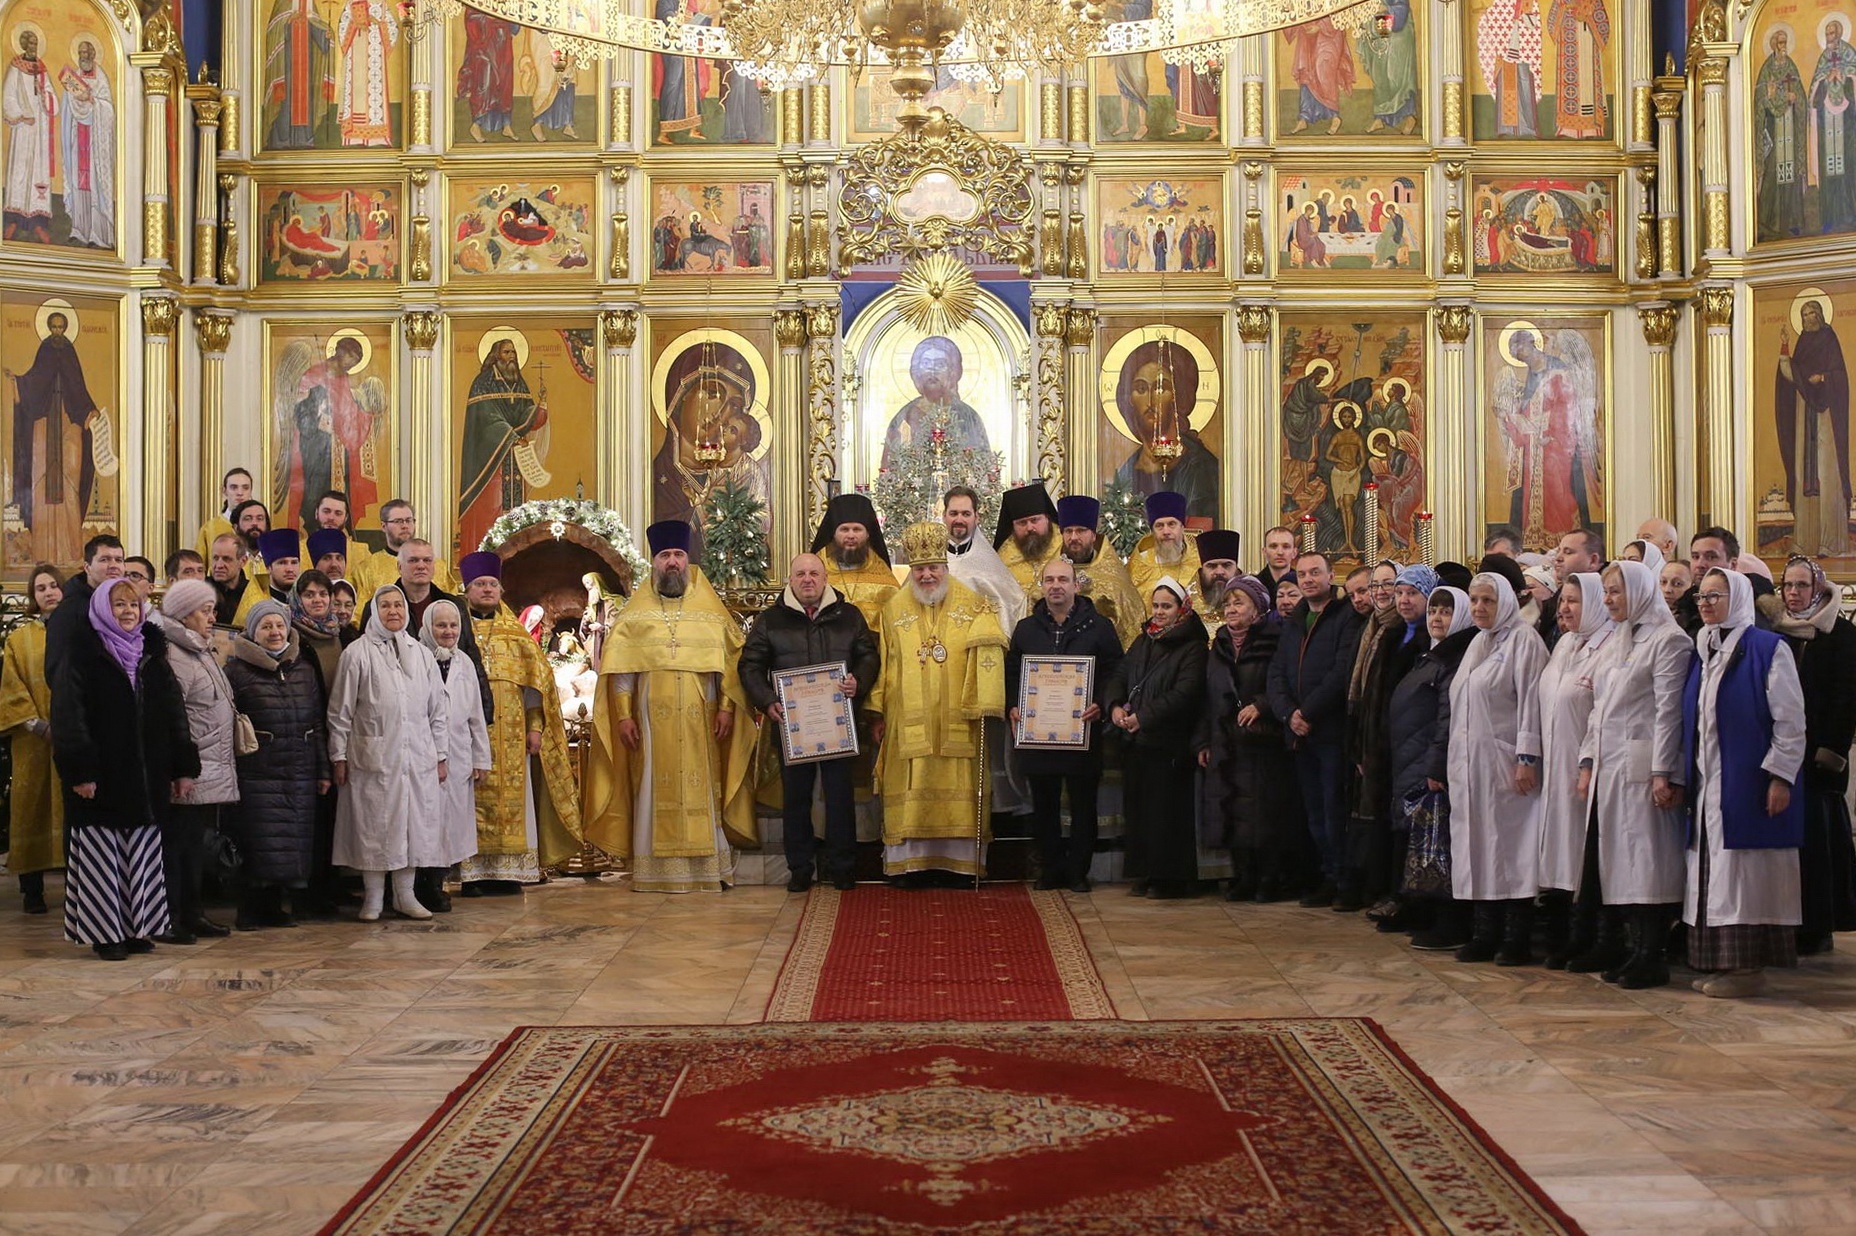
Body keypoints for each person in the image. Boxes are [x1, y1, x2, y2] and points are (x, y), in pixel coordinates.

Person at [583, 522, 759, 892]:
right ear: (655, 563)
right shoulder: (634, 615)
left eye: (679, 555)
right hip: (650, 718)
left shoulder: (710, 612)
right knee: (651, 782)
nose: (673, 563)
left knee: (702, 784)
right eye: (666, 556)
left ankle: (707, 869)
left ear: (688, 560)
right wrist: (625, 715)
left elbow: (728, 664)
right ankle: (654, 871)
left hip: (703, 716)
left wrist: (727, 708)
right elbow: (624, 671)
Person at [50, 578, 200, 961]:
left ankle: (136, 928)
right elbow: (69, 717)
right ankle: (106, 934)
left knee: (142, 855)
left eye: (134, 604)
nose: (129, 612)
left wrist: (183, 767)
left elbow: (174, 714)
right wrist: (80, 770)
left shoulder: (151, 653)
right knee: (104, 856)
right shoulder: (83, 653)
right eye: (119, 605)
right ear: (102, 608)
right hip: (102, 776)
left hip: (147, 773)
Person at [1682, 569, 1807, 999]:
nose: (1705, 602)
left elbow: (1789, 721)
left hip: (1749, 784)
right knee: (1714, 874)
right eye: (1701, 595)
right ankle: (1722, 964)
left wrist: (1779, 776)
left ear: (1736, 598)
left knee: (1743, 878)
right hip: (1709, 785)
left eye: (1715, 595)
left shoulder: (1767, 648)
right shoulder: (1705, 651)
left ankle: (1748, 968)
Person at [1570, 561, 1693, 988]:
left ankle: (1651, 954)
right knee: (1619, 861)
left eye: (1615, 592)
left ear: (1639, 592)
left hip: (1643, 766)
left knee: (1647, 861)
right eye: (1605, 593)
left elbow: (1668, 712)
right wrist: (1587, 762)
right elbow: (1599, 709)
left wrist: (1664, 771)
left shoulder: (1669, 640)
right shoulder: (1619, 638)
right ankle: (1629, 947)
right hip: (1610, 765)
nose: (1608, 600)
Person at [868, 522, 1008, 883]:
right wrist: (878, 710)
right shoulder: (893, 609)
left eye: (933, 567)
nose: (927, 575)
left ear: (945, 567)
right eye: (919, 569)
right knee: (910, 786)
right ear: (911, 571)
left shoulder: (974, 604)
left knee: (958, 784)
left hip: (959, 718)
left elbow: (988, 655)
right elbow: (885, 662)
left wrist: (985, 700)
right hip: (906, 721)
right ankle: (908, 865)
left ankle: (961, 864)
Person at [739, 553, 879, 892]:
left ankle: (843, 868)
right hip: (792, 725)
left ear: (825, 577)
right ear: (790, 579)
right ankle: (800, 868)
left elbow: (868, 655)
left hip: (838, 725)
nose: (807, 580)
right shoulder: (771, 620)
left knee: (839, 796)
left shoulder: (849, 615)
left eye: (814, 573)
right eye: (800, 573)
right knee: (796, 800)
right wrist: (767, 700)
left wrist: (857, 681)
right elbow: (750, 665)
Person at [461, 554, 584, 893]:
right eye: (479, 585)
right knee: (470, 802)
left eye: (491, 585)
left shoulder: (515, 634)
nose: (486, 590)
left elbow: (535, 688)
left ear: (500, 589)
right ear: (467, 590)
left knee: (514, 802)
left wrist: (535, 729)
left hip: (512, 735)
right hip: (470, 734)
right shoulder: (456, 629)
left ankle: (510, 872)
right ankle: (473, 875)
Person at [1446, 572, 1549, 966]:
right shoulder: (1477, 642)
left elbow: (1530, 702)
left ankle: (1515, 937)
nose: (1479, 608)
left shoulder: (1524, 640)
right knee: (1477, 846)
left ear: (1504, 601)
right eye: (1474, 600)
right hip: (1471, 764)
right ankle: (1483, 932)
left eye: (1487, 600)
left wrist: (1526, 757)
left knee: (1511, 848)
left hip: (1508, 763)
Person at [328, 585, 448, 921]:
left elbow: (437, 710)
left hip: (417, 756)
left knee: (411, 824)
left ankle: (405, 895)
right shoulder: (357, 653)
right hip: (373, 756)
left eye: (398, 605)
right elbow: (340, 711)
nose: (393, 611)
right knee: (375, 825)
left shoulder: (421, 653)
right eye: (385, 606)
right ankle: (374, 897)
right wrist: (338, 755)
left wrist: (441, 754)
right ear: (374, 611)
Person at [1007, 557, 1124, 893]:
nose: (1056, 586)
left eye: (1062, 579)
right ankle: (1050, 869)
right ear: (1041, 586)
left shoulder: (1099, 627)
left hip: (1082, 731)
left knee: (1083, 803)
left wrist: (1102, 702)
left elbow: (1116, 669)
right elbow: (1013, 671)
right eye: (1049, 580)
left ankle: (1077, 872)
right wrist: (1014, 705)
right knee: (1043, 806)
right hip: (1038, 734)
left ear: (1076, 585)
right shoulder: (1026, 629)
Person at [1765, 556, 1856, 954]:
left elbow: (1847, 696)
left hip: (1819, 755)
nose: (1795, 593)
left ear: (1818, 588)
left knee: (1819, 844)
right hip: (1783, 752)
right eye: (1788, 585)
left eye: (1803, 586)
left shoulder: (1839, 632)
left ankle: (1819, 923)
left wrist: (1830, 749)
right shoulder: (1776, 629)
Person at [221, 600, 329, 929]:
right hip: (257, 769)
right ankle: (251, 909)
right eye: (266, 626)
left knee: (288, 841)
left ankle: (274, 908)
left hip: (298, 768)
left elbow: (318, 722)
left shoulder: (303, 668)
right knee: (257, 841)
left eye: (279, 626)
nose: (274, 632)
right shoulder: (236, 670)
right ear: (254, 632)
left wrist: (322, 769)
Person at [1268, 550, 1366, 906]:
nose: (1308, 579)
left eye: (1314, 573)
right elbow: (1277, 673)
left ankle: (1345, 881)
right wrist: (1288, 713)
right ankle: (1327, 875)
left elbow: (1341, 673)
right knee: (1313, 810)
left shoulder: (1345, 618)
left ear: (1329, 577)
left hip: (1329, 732)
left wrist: (1306, 712)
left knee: (1335, 809)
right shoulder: (1294, 620)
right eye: (1302, 574)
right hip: (1299, 733)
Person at [1388, 586, 1478, 950]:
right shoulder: (1432, 654)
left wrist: (1435, 765)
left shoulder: (1455, 659)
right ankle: (1424, 910)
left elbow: (1447, 716)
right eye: (1434, 611)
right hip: (1414, 756)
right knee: (1423, 844)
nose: (1437, 617)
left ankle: (1450, 921)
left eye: (1445, 611)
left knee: (1442, 847)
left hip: (1432, 762)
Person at [1107, 577, 1208, 897]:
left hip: (1169, 741)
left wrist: (1145, 717)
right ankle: (1146, 872)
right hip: (1136, 741)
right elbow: (1122, 675)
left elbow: (1186, 692)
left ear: (1182, 609)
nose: (1159, 612)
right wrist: (1113, 707)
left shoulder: (1192, 646)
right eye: (1156, 606)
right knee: (1140, 811)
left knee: (1167, 813)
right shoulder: (1143, 640)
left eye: (1167, 606)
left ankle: (1170, 878)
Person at [151, 581, 240, 944]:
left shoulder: (196, 648)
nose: (212, 617)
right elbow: (173, 715)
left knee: (193, 848)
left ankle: (193, 912)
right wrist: (182, 767)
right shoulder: (173, 653)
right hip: (191, 766)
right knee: (175, 847)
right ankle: (171, 917)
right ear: (184, 613)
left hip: (208, 764)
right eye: (205, 610)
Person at [1534, 572, 1614, 967]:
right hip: (1553, 765)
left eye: (1574, 602)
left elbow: (1602, 713)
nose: (1563, 608)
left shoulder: (1609, 648)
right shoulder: (1564, 644)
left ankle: (1589, 937)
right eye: (1562, 600)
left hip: (1585, 769)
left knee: (1583, 854)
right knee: (1558, 852)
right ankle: (1561, 934)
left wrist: (1586, 762)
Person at [1342, 561, 1429, 917]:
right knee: (1383, 820)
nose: (1398, 598)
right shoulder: (1385, 632)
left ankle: (1404, 896)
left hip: (1408, 743)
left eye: (1408, 591)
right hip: (1381, 739)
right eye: (1398, 592)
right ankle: (1385, 890)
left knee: (1403, 823)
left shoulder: (1418, 635)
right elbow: (1371, 692)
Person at [1197, 577, 1290, 901]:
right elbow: (1208, 696)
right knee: (1231, 808)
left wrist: (1261, 705)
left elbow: (1284, 682)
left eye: (1240, 603)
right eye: (1229, 603)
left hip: (1262, 740)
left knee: (1263, 810)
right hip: (1226, 739)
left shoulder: (1275, 640)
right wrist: (1204, 741)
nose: (1232, 609)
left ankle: (1269, 878)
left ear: (1258, 609)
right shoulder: (1219, 644)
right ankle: (1244, 875)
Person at [0, 564, 65, 914]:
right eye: (41, 588)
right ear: (33, 596)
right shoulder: (18, 639)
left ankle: (81, 888)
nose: (49, 592)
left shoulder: (79, 631)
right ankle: (32, 889)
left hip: (73, 736)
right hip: (33, 739)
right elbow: (11, 686)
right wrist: (37, 725)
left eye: (55, 585)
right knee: (32, 806)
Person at [420, 600, 493, 886]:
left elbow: (475, 714)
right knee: (427, 820)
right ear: (428, 627)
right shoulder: (417, 657)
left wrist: (481, 758)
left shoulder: (464, 661)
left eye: (453, 625)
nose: (448, 631)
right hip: (426, 752)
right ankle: (427, 883)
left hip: (460, 753)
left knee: (454, 821)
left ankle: (445, 879)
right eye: (441, 625)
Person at [879, 337, 991, 473]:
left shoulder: (969, 417)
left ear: (952, 372)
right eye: (926, 364)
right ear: (916, 372)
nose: (932, 372)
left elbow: (982, 466)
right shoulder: (905, 417)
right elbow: (892, 466)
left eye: (940, 364)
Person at [1057, 495, 1145, 647]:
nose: (1073, 537)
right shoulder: (1050, 574)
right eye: (1068, 531)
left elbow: (1131, 627)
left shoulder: (1113, 578)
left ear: (1093, 535)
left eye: (1081, 531)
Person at [44, 534, 126, 684]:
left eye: (118, 560)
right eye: (105, 559)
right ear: (87, 567)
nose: (113, 565)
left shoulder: (127, 607)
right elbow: (58, 673)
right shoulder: (68, 612)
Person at [811, 493, 899, 629]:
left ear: (868, 533)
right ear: (833, 533)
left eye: (857, 529)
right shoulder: (815, 569)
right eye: (844, 529)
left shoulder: (882, 574)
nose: (851, 535)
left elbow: (894, 623)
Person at [994, 482, 1062, 609]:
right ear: (1012, 526)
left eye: (1035, 520)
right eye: (1022, 523)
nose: (1030, 528)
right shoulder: (1002, 560)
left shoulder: (1065, 547)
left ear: (1047, 519)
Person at [1128, 491, 1202, 606]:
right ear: (1152, 531)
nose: (1166, 531)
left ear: (1182, 528)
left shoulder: (1199, 562)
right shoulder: (1138, 565)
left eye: (1172, 524)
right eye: (1159, 526)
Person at [196, 468, 255, 561]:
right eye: (234, 487)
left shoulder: (259, 527)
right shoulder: (210, 528)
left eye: (245, 488)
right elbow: (199, 566)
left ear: (251, 491)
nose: (240, 493)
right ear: (224, 491)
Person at [210, 534, 263, 628]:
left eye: (226, 559)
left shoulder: (253, 593)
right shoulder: (201, 590)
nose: (219, 565)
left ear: (243, 561)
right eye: (215, 558)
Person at [1196, 529, 1244, 622]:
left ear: (1237, 570)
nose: (1219, 572)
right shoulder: (1187, 610)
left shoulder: (1251, 606)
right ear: (1201, 572)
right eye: (1211, 566)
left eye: (1227, 565)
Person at [257, 529, 303, 603]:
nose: (290, 569)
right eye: (282, 563)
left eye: (294, 562)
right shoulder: (258, 603)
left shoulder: (308, 603)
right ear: (268, 568)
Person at [1256, 526, 1298, 600]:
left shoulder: (1302, 584)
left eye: (1286, 547)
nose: (1280, 552)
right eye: (1273, 546)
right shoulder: (1254, 585)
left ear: (1294, 552)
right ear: (1264, 552)